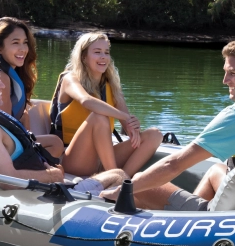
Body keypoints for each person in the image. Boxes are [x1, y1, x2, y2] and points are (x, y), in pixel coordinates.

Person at [101, 36, 235, 210]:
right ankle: (189, 213)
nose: (225, 81)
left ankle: (186, 224)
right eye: (225, 73)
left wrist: (121, 189)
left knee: (139, 183)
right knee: (218, 167)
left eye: (232, 73)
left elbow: (173, 164)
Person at [0, 54, 126, 192]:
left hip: (46, 187)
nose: (1, 86)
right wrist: (50, 175)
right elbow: (7, 180)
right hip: (47, 196)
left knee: (117, 177)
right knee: (119, 176)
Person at [50, 32, 162, 177]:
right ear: (83, 57)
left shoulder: (111, 84)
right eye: (97, 52)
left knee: (155, 135)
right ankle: (113, 177)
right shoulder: (70, 79)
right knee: (99, 116)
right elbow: (86, 100)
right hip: (73, 159)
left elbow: (127, 125)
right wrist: (123, 116)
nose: (103, 56)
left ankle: (121, 182)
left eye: (106, 52)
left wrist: (133, 126)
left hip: (101, 157)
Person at [0, 16, 63, 158]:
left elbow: (13, 114)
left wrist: (25, 122)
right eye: (15, 43)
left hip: (4, 142)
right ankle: (31, 171)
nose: (23, 49)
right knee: (55, 143)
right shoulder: (1, 77)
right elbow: (3, 124)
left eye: (25, 43)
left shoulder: (8, 73)